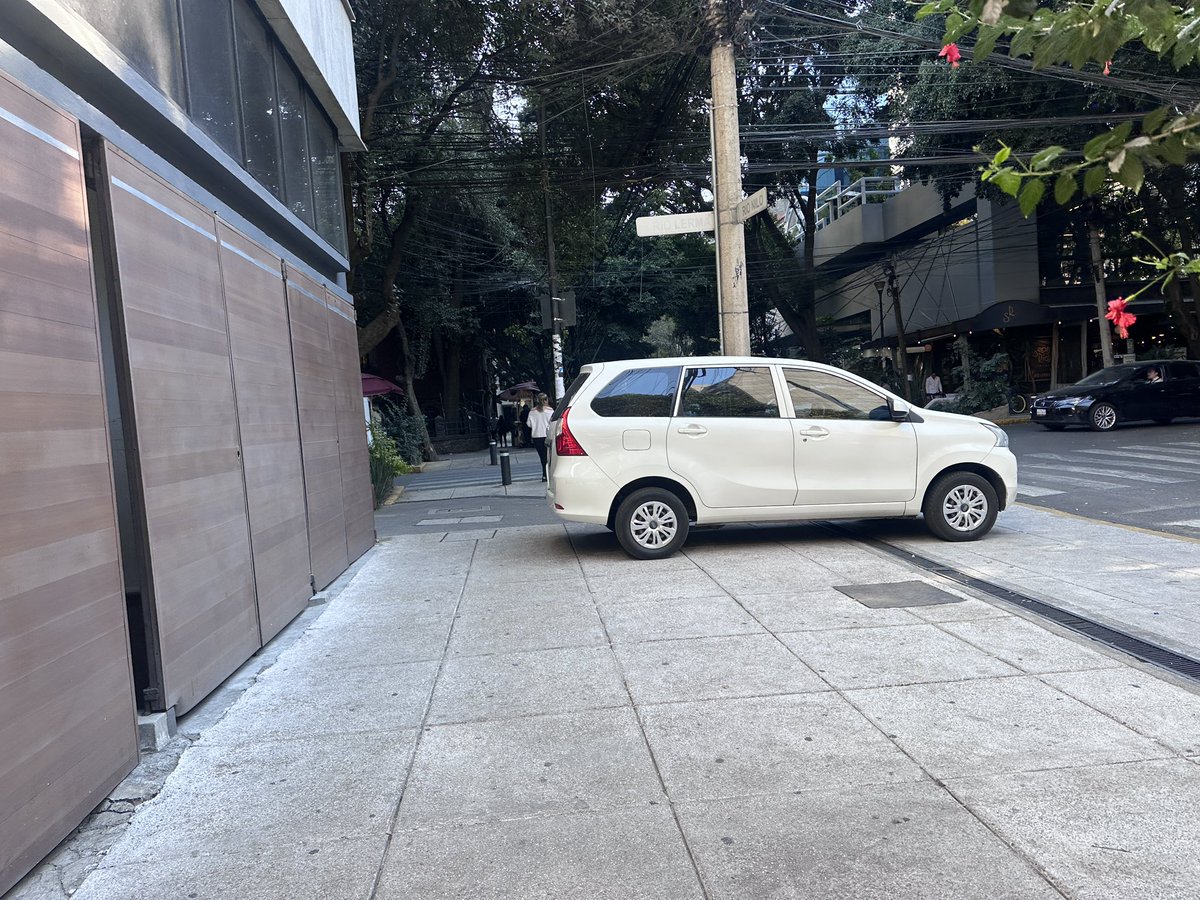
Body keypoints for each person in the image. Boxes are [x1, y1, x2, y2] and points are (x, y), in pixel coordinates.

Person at [527, 393, 554, 481]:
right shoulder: (550, 411)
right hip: (547, 435)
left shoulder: (532, 412)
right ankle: (547, 474)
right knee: (548, 456)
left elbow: (529, 424)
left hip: (536, 435)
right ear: (546, 400)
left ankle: (544, 474)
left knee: (542, 456)